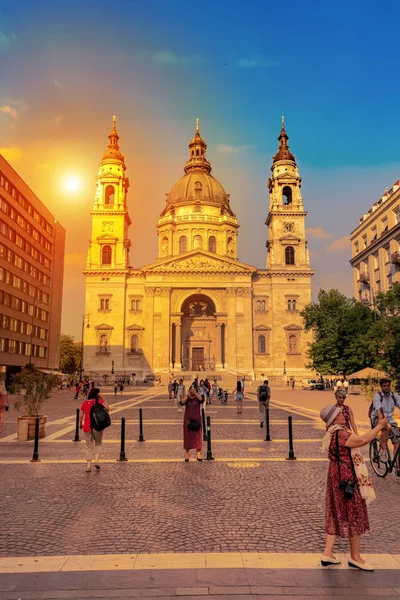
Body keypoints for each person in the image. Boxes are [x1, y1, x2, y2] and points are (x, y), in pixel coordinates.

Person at [320, 403, 387, 571]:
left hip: (336, 475)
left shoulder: (330, 432)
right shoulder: (341, 433)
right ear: (335, 418)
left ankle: (328, 553)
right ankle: (355, 557)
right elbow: (363, 440)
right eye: (341, 413)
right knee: (354, 511)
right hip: (347, 476)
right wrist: (379, 427)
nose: (344, 414)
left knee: (336, 510)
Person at [370, 377, 400, 463]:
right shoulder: (378, 396)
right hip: (377, 418)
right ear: (381, 387)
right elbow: (379, 411)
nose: (387, 387)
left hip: (390, 419)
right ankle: (383, 451)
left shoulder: (394, 396)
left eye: (388, 385)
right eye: (384, 386)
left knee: (397, 443)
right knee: (386, 428)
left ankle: (396, 463)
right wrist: (385, 422)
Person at [79, 387, 110, 473]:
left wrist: (80, 424)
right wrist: (104, 399)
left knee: (89, 446)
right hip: (97, 426)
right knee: (98, 443)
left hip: (87, 426)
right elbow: (107, 408)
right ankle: (96, 461)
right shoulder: (99, 402)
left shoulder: (84, 403)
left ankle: (88, 466)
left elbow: (81, 416)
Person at [180, 387, 204, 461]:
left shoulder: (198, 398)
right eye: (191, 390)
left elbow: (201, 400)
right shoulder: (187, 398)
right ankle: (187, 454)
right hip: (188, 420)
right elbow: (181, 402)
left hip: (197, 419)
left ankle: (198, 454)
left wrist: (196, 393)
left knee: (198, 437)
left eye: (194, 390)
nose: (192, 391)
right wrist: (187, 395)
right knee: (188, 437)